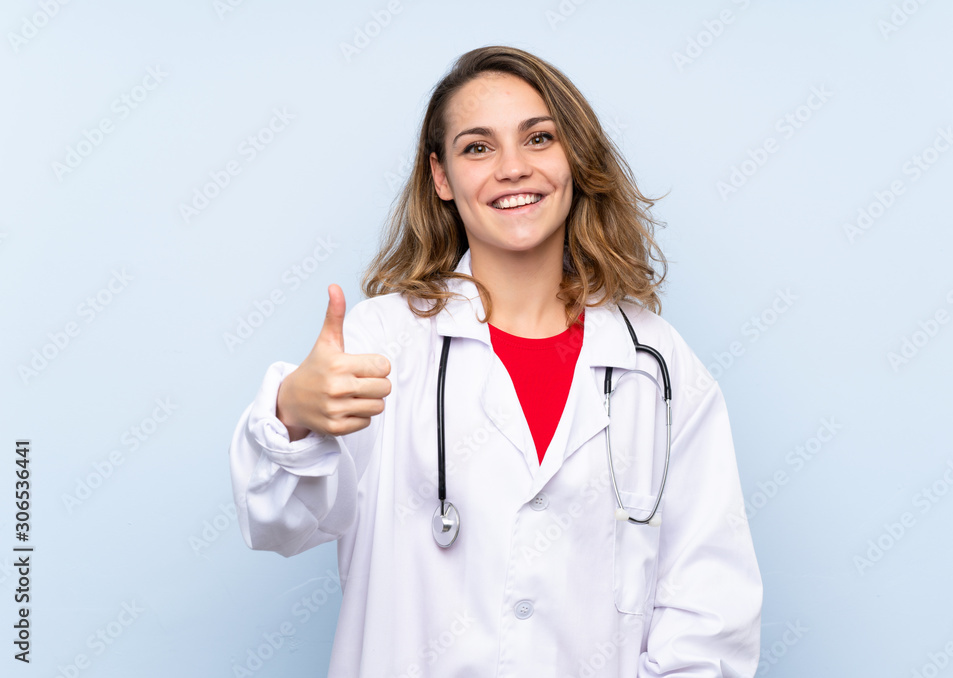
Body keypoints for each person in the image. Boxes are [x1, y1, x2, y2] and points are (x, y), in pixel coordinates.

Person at [228, 45, 762, 677]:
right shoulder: (382, 343)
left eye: (539, 138)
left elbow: (711, 609)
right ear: (442, 177)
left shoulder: (658, 365)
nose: (513, 167)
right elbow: (278, 523)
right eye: (478, 147)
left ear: (575, 160)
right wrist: (292, 414)